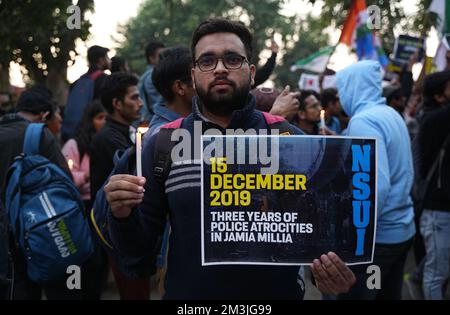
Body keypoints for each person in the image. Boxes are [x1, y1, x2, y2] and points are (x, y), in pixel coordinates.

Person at [103, 18, 355, 300]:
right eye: (207, 61)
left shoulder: (289, 139)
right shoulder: (163, 143)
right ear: (193, 75)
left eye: (232, 59)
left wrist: (330, 274)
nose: (220, 68)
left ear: (250, 72)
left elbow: (316, 237)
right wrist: (122, 216)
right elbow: (138, 254)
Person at [335, 60, 416, 300]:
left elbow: (373, 186)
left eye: (343, 89)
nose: (340, 97)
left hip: (377, 243)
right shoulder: (388, 113)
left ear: (354, 87)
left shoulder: (363, 122)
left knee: (359, 295)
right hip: (401, 231)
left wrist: (356, 239)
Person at [0, 86, 78, 300]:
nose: (60, 119)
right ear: (45, 115)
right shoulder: (39, 134)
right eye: (57, 114)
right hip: (38, 236)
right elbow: (67, 186)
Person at [89, 72, 149, 300]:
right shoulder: (109, 139)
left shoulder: (126, 133)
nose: (141, 103)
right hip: (117, 230)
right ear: (116, 103)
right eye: (134, 98)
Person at [415, 70, 450, 300]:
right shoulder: (436, 120)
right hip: (438, 212)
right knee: (437, 274)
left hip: (442, 210)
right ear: (439, 97)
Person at [62, 101, 107, 211]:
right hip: (81, 204)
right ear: (90, 121)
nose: (104, 122)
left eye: (107, 118)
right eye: (100, 117)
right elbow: (66, 179)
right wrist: (86, 175)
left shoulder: (110, 142)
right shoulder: (74, 145)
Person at [138, 41, 165, 124]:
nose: (165, 59)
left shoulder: (145, 76)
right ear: (151, 58)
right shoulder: (152, 76)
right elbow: (160, 104)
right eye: (161, 56)